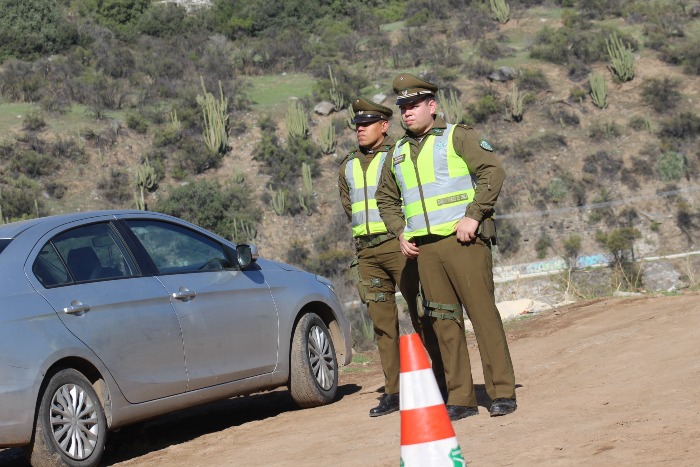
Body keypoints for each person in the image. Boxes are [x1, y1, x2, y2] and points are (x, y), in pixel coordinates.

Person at [375, 74, 517, 421]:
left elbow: (492, 173)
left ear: (431, 106)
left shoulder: (457, 136)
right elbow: (385, 197)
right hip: (426, 250)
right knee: (443, 323)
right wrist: (399, 232)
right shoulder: (397, 151)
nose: (406, 113)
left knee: (482, 316)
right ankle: (461, 399)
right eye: (402, 108)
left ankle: (501, 392)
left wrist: (474, 215)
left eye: (413, 106)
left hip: (463, 242)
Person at [338, 97, 445, 417]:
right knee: (383, 326)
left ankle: (443, 382)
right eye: (357, 125)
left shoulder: (398, 155)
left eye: (366, 125)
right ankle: (394, 391)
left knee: (422, 314)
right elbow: (349, 207)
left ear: (384, 126)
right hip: (367, 252)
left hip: (398, 246)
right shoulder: (346, 165)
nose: (360, 130)